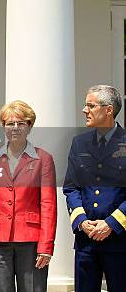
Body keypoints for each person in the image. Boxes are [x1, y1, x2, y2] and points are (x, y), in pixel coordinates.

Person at [0, 100, 57, 292]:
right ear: (3, 126)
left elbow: (48, 204)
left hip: (31, 240)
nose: (15, 128)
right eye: (9, 123)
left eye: (21, 123)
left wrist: (46, 245)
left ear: (30, 126)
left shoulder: (43, 159)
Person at [64, 85, 126, 292]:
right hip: (86, 241)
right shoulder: (79, 143)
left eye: (90, 105)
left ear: (108, 110)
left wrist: (111, 223)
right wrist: (81, 221)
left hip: (119, 241)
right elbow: (71, 188)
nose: (84, 110)